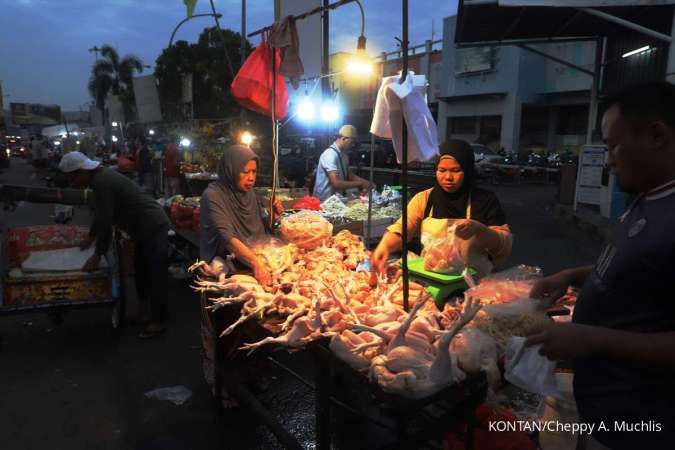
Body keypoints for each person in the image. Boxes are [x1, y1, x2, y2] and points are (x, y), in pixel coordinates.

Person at [527, 82, 675, 450]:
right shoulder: (647, 199)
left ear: (657, 135)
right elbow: (636, 269)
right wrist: (573, 276)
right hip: (604, 408)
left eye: (613, 146)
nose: (608, 159)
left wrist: (588, 337)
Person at [59, 151, 170, 339]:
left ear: (83, 171)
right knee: (140, 270)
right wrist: (91, 237)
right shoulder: (100, 178)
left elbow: (105, 220)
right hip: (141, 227)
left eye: (73, 177)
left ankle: (158, 320)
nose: (72, 182)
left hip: (152, 224)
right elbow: (101, 214)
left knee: (154, 273)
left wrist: (97, 254)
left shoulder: (102, 182)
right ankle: (144, 313)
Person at [371, 139, 512, 278]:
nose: (448, 177)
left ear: (468, 170)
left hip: (475, 285)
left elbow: (503, 246)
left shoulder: (485, 200)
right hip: (431, 281)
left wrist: (479, 230)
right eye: (442, 170)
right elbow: (402, 228)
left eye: (456, 170)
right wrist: (385, 246)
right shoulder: (425, 198)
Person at [200, 144, 280, 286]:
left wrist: (275, 216)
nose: (251, 178)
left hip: (252, 258)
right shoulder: (213, 195)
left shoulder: (250, 194)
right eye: (245, 172)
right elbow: (228, 238)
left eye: (254, 172)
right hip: (226, 266)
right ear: (231, 170)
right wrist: (256, 263)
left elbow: (261, 230)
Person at [313, 124, 371, 201]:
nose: (352, 145)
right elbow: (336, 183)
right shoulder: (330, 155)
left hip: (336, 199)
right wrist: (360, 183)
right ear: (344, 139)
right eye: (351, 142)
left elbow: (349, 174)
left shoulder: (344, 155)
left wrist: (365, 182)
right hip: (324, 200)